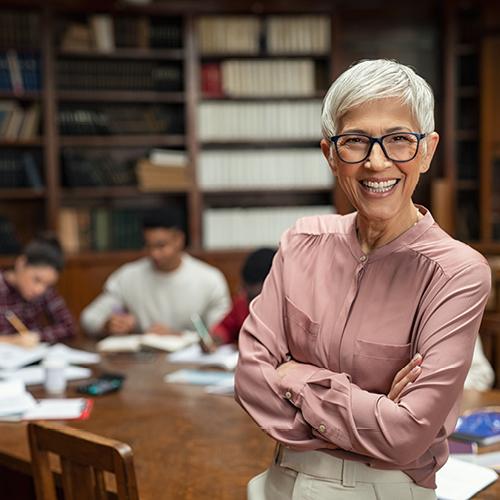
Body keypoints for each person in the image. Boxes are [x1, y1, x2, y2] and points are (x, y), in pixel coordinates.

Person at [234, 59, 491, 500]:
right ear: (330, 154)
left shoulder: (457, 272)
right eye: (355, 141)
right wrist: (372, 408)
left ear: (427, 150)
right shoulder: (301, 242)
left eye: (398, 140)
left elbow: (406, 434)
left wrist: (293, 376)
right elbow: (249, 381)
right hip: (279, 481)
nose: (376, 162)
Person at [80, 207, 231, 337]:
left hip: (191, 364)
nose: (154, 254)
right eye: (148, 246)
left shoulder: (210, 279)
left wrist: (177, 336)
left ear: (179, 239)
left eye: (161, 246)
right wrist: (106, 325)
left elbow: (221, 333)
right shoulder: (127, 276)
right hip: (141, 364)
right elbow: (89, 318)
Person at [0, 234, 75, 346]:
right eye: (37, 279)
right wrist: (13, 341)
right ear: (21, 264)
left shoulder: (45, 291)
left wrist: (37, 336)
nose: (40, 290)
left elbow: (69, 327)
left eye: (47, 284)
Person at [210, 247, 276, 346]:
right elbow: (225, 327)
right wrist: (216, 338)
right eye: (245, 288)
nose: (251, 303)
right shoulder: (243, 301)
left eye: (255, 296)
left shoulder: (290, 310)